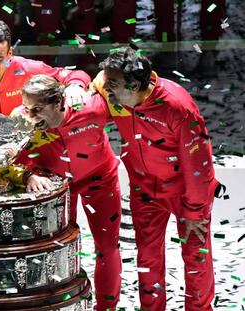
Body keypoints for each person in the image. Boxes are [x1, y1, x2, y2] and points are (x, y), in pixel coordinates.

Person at [92, 46, 219, 311]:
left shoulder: (176, 105)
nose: (106, 89)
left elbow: (199, 164)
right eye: (106, 82)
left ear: (135, 85)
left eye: (112, 84)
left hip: (186, 192)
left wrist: (196, 211)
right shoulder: (114, 90)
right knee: (147, 257)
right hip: (144, 188)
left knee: (196, 258)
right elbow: (87, 85)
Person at [10, 74, 122, 311]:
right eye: (27, 108)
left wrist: (78, 83)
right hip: (56, 187)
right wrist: (27, 175)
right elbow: (9, 162)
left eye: (37, 109)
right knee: (54, 249)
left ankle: (107, 308)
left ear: (59, 103)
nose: (30, 116)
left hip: (101, 179)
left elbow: (110, 78)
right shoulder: (20, 121)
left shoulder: (92, 106)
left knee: (107, 247)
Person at [0, 17, 91, 116]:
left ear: (10, 53)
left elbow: (74, 75)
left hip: (28, 148)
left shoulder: (27, 69)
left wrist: (75, 86)